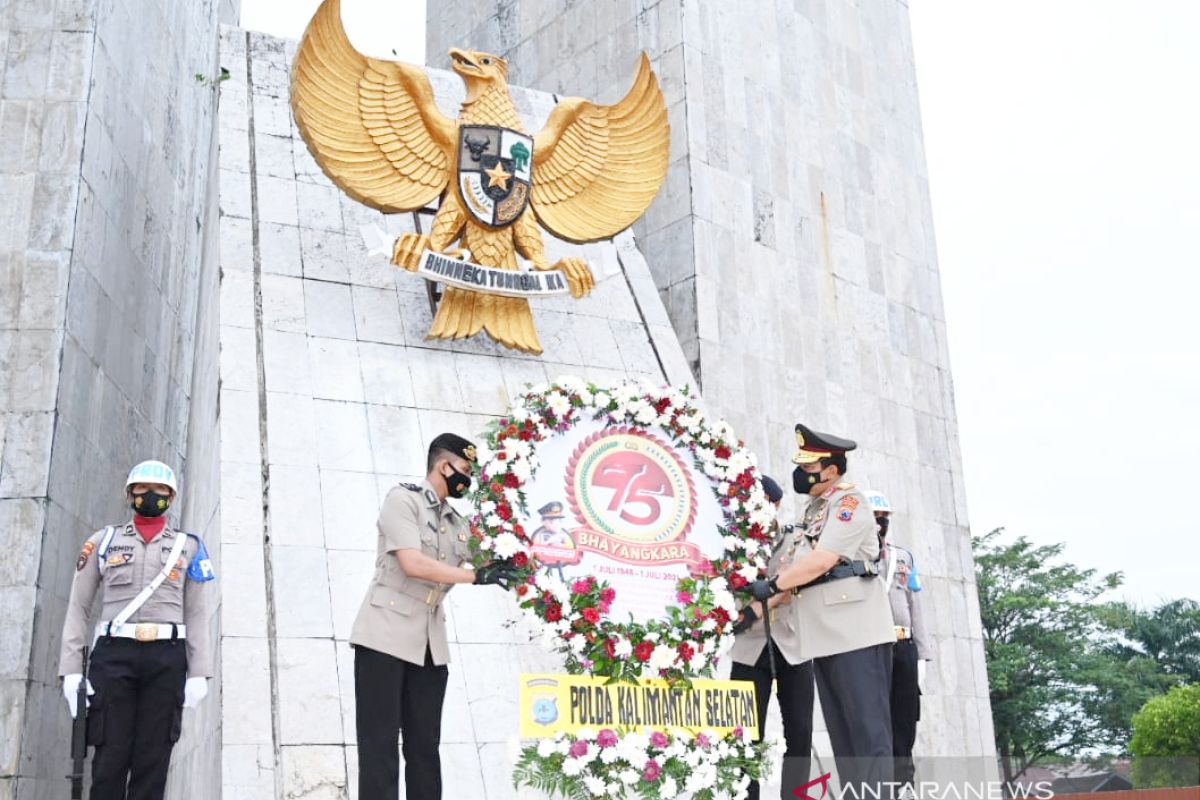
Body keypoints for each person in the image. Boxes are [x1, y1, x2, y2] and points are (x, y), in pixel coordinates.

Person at [350, 433, 520, 800]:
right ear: (444, 466)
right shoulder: (403, 500)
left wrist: (526, 541)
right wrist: (475, 576)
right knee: (379, 748)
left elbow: (495, 559)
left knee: (425, 750)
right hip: (384, 635)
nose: (467, 480)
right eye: (464, 470)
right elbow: (412, 563)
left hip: (429, 646)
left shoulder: (460, 525)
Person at [744, 424, 895, 796]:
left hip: (855, 633)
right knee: (845, 741)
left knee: (867, 736)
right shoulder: (815, 509)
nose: (802, 473)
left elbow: (823, 560)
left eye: (810, 466)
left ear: (831, 470)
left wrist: (773, 586)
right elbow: (793, 571)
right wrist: (752, 610)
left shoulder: (848, 502)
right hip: (828, 638)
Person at [59, 460, 216, 800]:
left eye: (160, 491)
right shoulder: (103, 541)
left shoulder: (188, 547)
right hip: (114, 656)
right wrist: (71, 671)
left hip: (166, 658)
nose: (150, 496)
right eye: (142, 490)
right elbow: (78, 607)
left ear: (171, 498)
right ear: (129, 494)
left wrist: (199, 673)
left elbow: (197, 613)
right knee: (109, 759)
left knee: (153, 761)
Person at [729, 475, 815, 800]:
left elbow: (795, 583)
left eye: (764, 502)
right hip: (749, 649)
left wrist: (752, 611)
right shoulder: (732, 544)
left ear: (776, 504)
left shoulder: (795, 538)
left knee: (800, 733)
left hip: (792, 644)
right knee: (745, 736)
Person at [864, 490, 931, 792]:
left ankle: (904, 785)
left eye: (884, 519)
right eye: (874, 518)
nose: (880, 524)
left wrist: (922, 655)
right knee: (876, 723)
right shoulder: (853, 555)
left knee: (905, 720)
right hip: (870, 648)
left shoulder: (903, 556)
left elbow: (916, 607)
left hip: (903, 646)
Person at [531, 500, 573, 580]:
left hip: (559, 570)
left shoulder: (562, 535)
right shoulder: (540, 535)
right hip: (541, 572)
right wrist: (549, 541)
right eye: (551, 521)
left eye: (559, 520)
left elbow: (564, 550)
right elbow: (538, 554)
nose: (557, 524)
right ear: (543, 521)